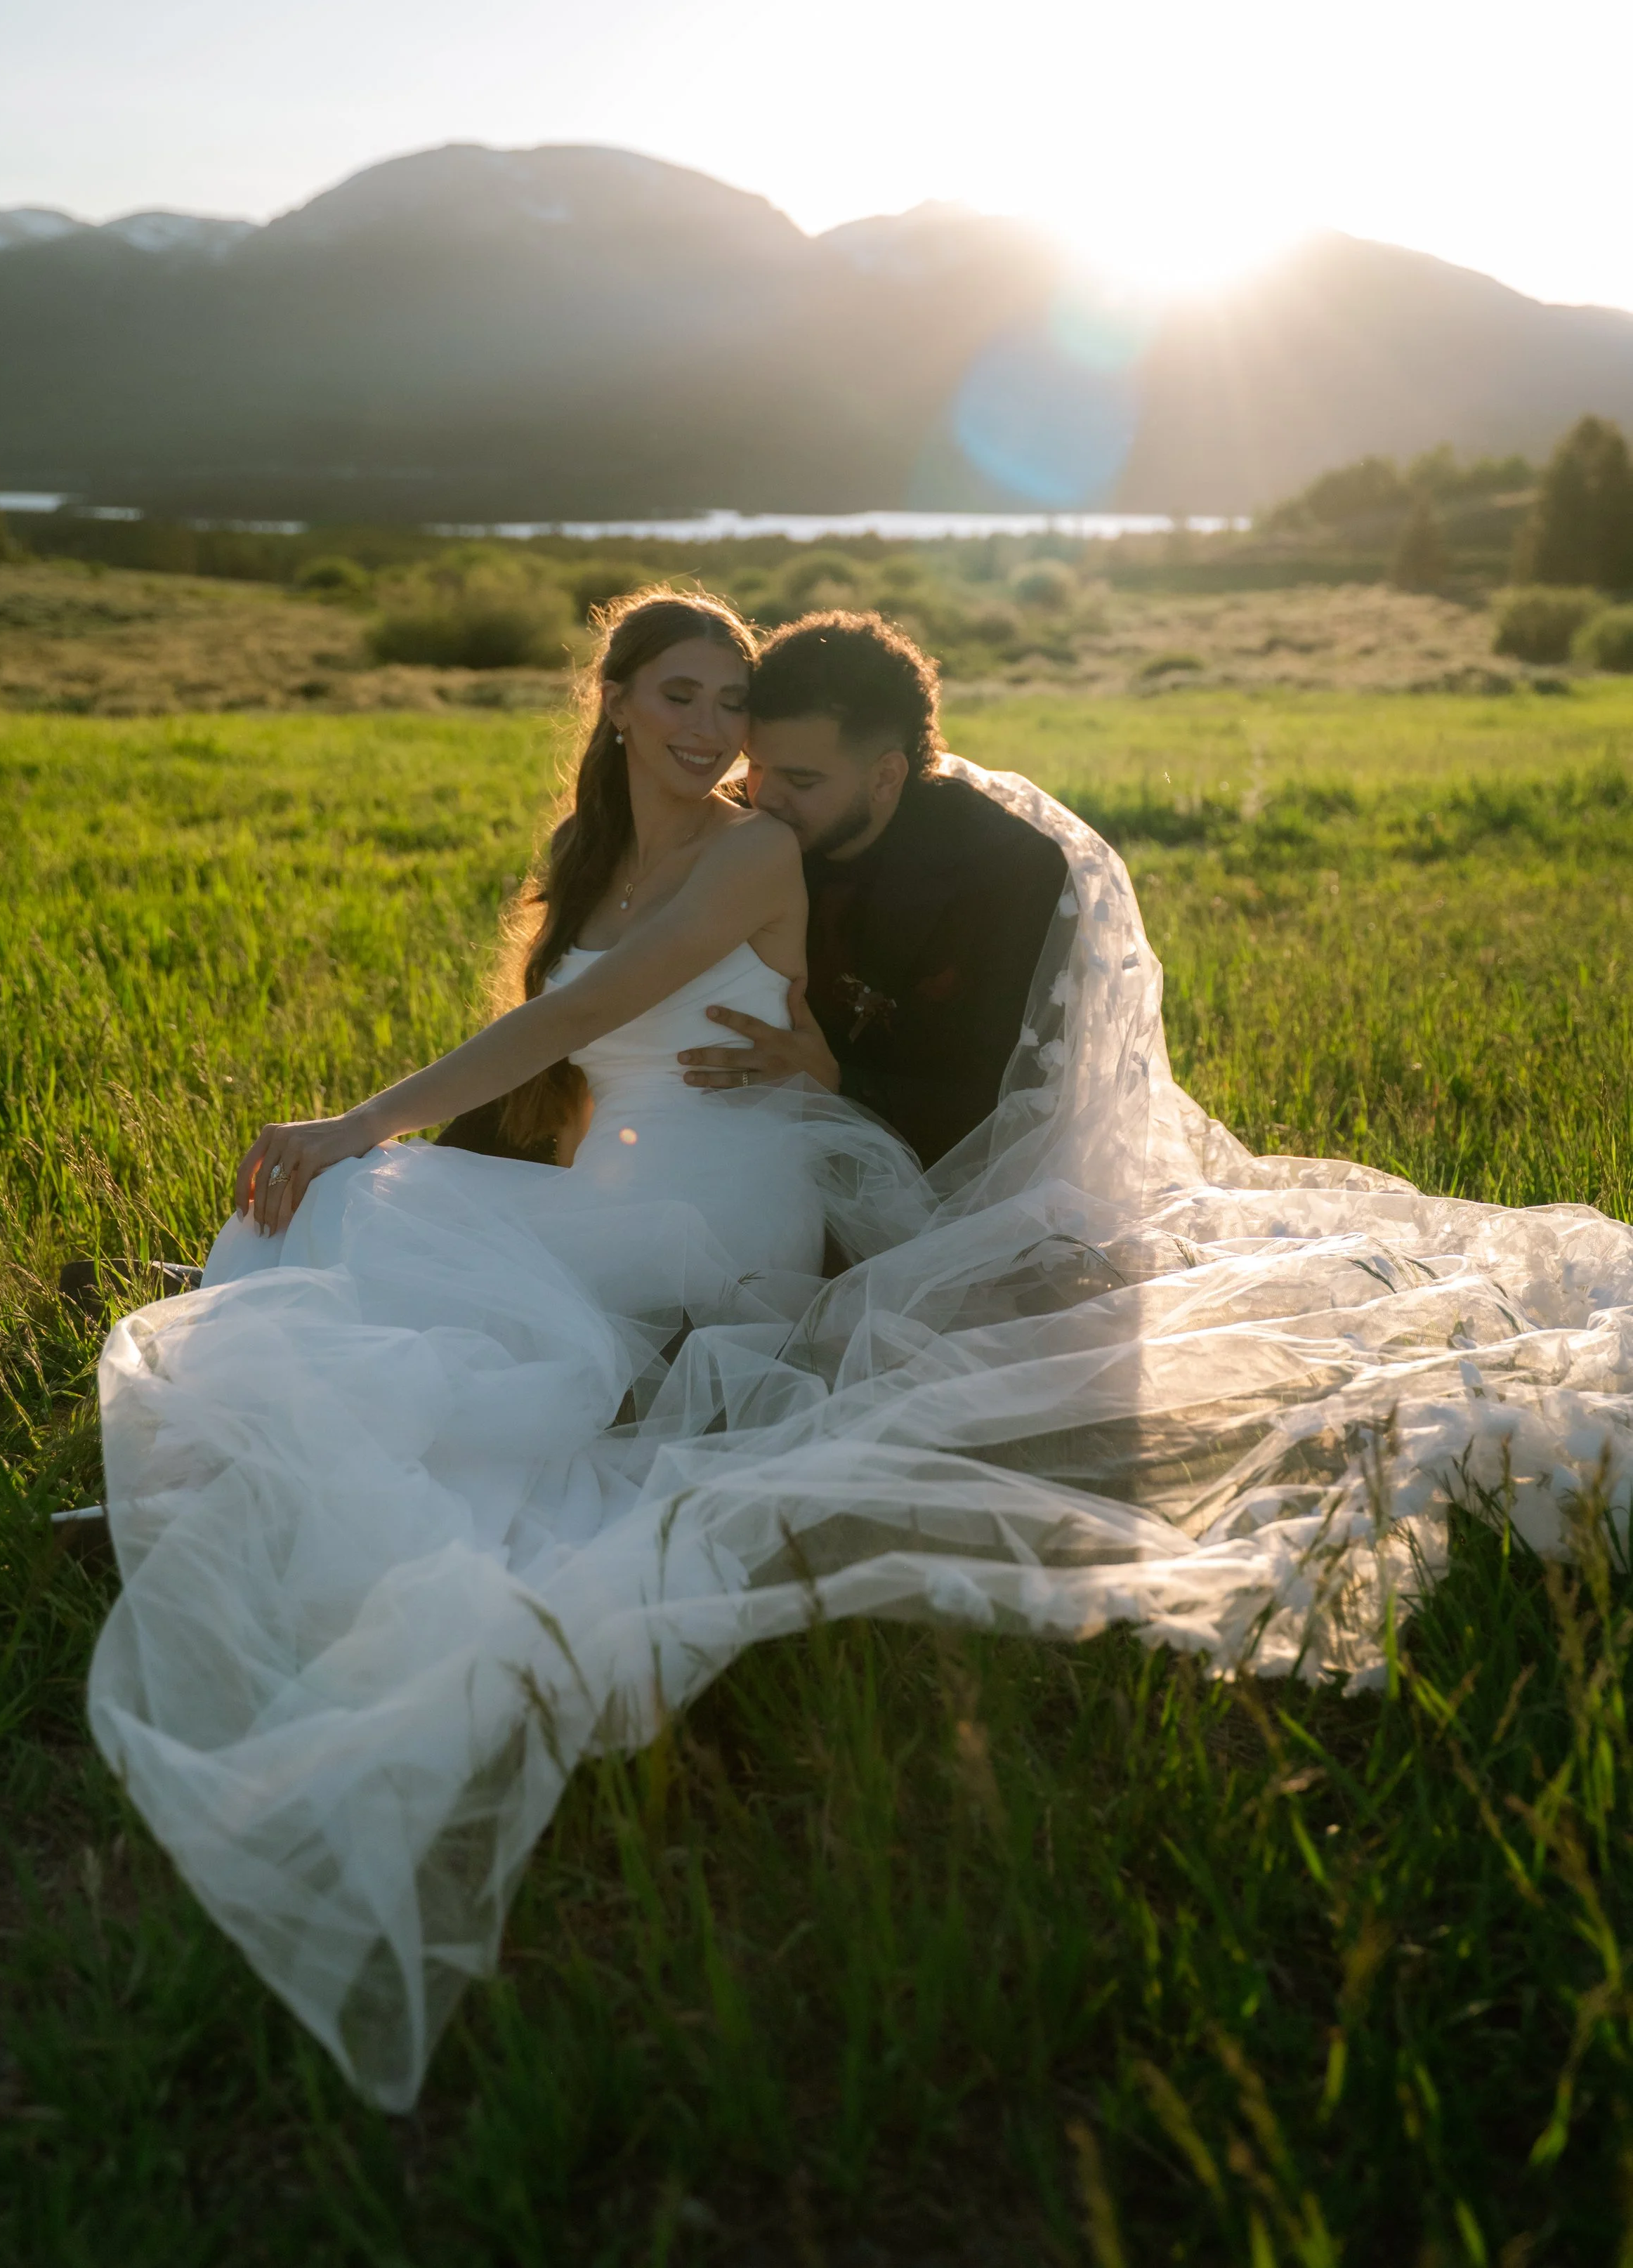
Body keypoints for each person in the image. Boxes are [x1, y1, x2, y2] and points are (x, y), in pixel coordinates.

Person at [88, 587, 1633, 2120]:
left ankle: (321, 1440)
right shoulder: (617, 855)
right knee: (353, 1226)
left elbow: (590, 1022)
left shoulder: (755, 851)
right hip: (644, 1178)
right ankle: (305, 1402)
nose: (719, 745)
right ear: (613, 701)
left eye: (732, 711)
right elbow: (569, 1057)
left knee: (367, 1202)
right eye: (683, 703)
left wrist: (365, 1115)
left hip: (731, 1197)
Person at [676, 612, 1070, 1167]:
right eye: (756, 765)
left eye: (802, 779)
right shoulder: (737, 823)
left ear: (886, 776)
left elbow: (1013, 1102)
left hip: (937, 1175)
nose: (763, 797)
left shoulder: (1012, 870)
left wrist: (835, 1083)